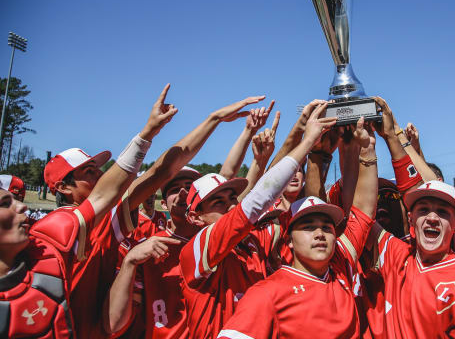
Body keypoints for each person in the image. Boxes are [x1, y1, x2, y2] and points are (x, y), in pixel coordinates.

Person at [1, 91, 170, 337]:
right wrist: (147, 133)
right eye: (89, 172)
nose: (101, 176)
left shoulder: (91, 219)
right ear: (62, 187)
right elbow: (146, 177)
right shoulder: (54, 230)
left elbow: (154, 174)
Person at [104, 96, 275, 338]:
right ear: (163, 203)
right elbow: (113, 325)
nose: (185, 192)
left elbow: (229, 186)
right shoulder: (146, 248)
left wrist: (249, 135)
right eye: (175, 189)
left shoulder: (213, 240)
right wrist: (130, 262)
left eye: (191, 186)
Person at [217, 115, 377, 339]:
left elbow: (363, 211)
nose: (320, 233)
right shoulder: (267, 293)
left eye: (327, 227)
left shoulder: (341, 263)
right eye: (309, 227)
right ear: (289, 240)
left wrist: (368, 150)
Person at [365, 180, 455, 338]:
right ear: (411, 219)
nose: (432, 217)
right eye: (423, 210)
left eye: (442, 212)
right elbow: (362, 216)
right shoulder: (397, 254)